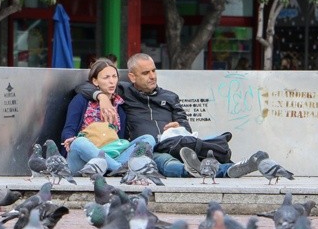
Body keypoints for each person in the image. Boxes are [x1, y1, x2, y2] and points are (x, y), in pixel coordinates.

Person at [75, 52, 258, 179]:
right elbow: (81, 87)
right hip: (150, 149)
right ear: (132, 77)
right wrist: (101, 97)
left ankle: (224, 164)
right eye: (145, 73)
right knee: (167, 163)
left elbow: (186, 127)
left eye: (154, 71)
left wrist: (179, 127)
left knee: (203, 143)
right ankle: (227, 170)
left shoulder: (170, 97)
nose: (152, 76)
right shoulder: (124, 91)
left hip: (177, 143)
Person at [62, 57, 156, 174]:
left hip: (113, 154)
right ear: (95, 81)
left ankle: (114, 167)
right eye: (106, 77)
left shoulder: (120, 106)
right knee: (79, 142)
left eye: (114, 76)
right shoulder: (81, 100)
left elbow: (120, 139)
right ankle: (119, 169)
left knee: (148, 139)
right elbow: (68, 131)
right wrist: (69, 140)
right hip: (85, 159)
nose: (112, 81)